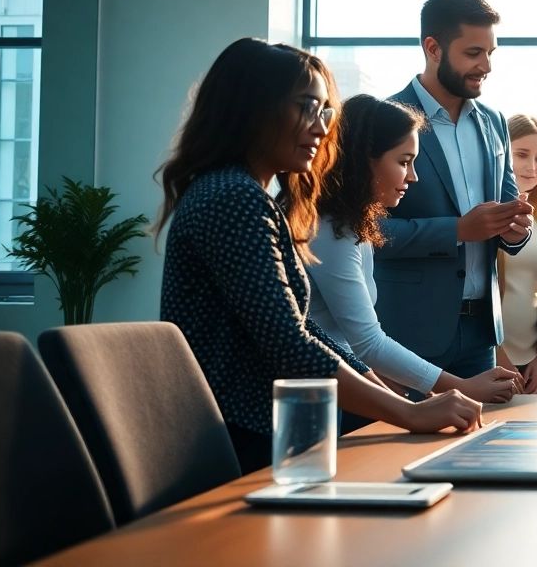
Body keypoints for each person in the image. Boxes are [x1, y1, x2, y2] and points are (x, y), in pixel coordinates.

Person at [156, 38, 483, 474]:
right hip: (233, 440)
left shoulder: (247, 196)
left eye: (325, 111)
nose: (322, 126)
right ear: (254, 108)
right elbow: (290, 343)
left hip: (253, 432)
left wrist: (405, 402)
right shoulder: (233, 198)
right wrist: (408, 412)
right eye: (307, 107)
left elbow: (306, 330)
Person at [307, 94, 520, 415]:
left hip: (347, 383)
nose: (413, 176)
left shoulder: (354, 224)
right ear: (364, 159)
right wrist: (462, 387)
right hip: (321, 395)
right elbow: (366, 342)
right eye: (404, 162)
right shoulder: (331, 229)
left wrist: (413, 401)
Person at [375, 0, 533, 391]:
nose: (486, 65)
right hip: (408, 333)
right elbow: (366, 230)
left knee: (478, 451)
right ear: (433, 48)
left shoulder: (496, 122)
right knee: (400, 451)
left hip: (481, 333)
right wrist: (458, 230)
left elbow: (509, 210)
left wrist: (517, 231)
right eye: (474, 53)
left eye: (491, 53)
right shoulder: (384, 121)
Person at [495, 115, 537, 394]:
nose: (532, 167)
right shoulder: (487, 213)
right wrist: (497, 355)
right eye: (521, 155)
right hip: (491, 359)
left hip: (531, 364)